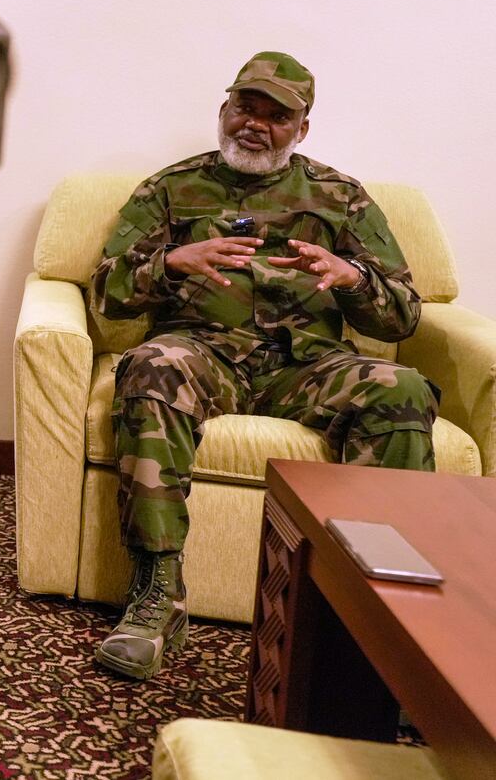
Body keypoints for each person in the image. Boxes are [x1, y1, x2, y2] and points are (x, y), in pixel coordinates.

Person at [88, 52, 436, 681]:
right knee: (150, 366)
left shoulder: (342, 198)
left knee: (400, 387)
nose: (257, 124)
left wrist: (353, 280)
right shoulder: (169, 189)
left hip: (304, 369)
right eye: (247, 107)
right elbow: (106, 294)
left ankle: (386, 615)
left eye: (278, 116)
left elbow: (403, 317)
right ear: (225, 110)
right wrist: (170, 263)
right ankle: (157, 598)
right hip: (204, 355)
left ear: (301, 130)